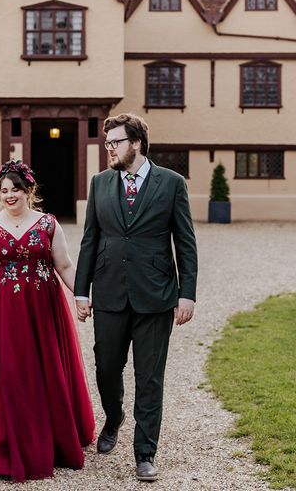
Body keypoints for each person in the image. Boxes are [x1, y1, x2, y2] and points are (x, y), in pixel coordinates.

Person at [0, 160, 95, 483]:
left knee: (40, 372)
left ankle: (48, 437)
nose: (9, 195)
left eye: (15, 188)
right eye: (3, 190)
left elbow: (66, 266)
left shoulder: (48, 225)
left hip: (40, 313)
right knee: (1, 374)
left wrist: (83, 295)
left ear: (28, 190)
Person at [74, 113, 197, 482]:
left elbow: (185, 242)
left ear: (137, 143)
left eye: (115, 142)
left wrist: (186, 294)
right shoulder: (99, 184)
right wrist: (82, 291)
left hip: (156, 296)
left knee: (150, 378)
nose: (109, 148)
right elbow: (90, 239)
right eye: (107, 142)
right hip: (109, 292)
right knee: (106, 367)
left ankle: (145, 452)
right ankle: (114, 417)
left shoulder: (171, 183)